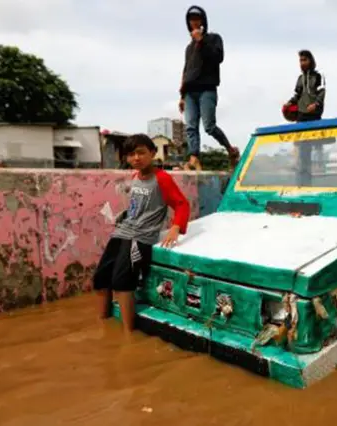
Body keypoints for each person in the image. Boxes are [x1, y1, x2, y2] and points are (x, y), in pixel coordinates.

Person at [93, 134, 191, 333]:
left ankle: (128, 334)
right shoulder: (135, 177)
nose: (136, 158)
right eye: (131, 154)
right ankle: (103, 322)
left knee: (122, 282)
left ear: (152, 153)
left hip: (140, 237)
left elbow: (181, 204)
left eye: (141, 153)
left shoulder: (162, 178)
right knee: (101, 278)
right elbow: (137, 205)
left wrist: (175, 228)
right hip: (123, 231)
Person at [178, 5, 239, 171]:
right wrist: (182, 96)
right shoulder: (189, 48)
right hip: (190, 92)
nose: (194, 22)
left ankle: (230, 150)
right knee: (190, 127)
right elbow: (186, 70)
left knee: (209, 126)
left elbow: (218, 57)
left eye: (197, 18)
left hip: (207, 89)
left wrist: (201, 41)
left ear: (203, 20)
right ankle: (194, 158)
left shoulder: (213, 38)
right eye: (191, 19)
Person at [284, 50, 326, 122]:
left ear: (311, 61)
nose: (302, 63)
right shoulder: (300, 78)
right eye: (300, 61)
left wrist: (316, 104)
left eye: (305, 60)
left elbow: (321, 92)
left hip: (314, 113)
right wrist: (290, 102)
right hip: (301, 114)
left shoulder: (318, 76)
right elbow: (297, 95)